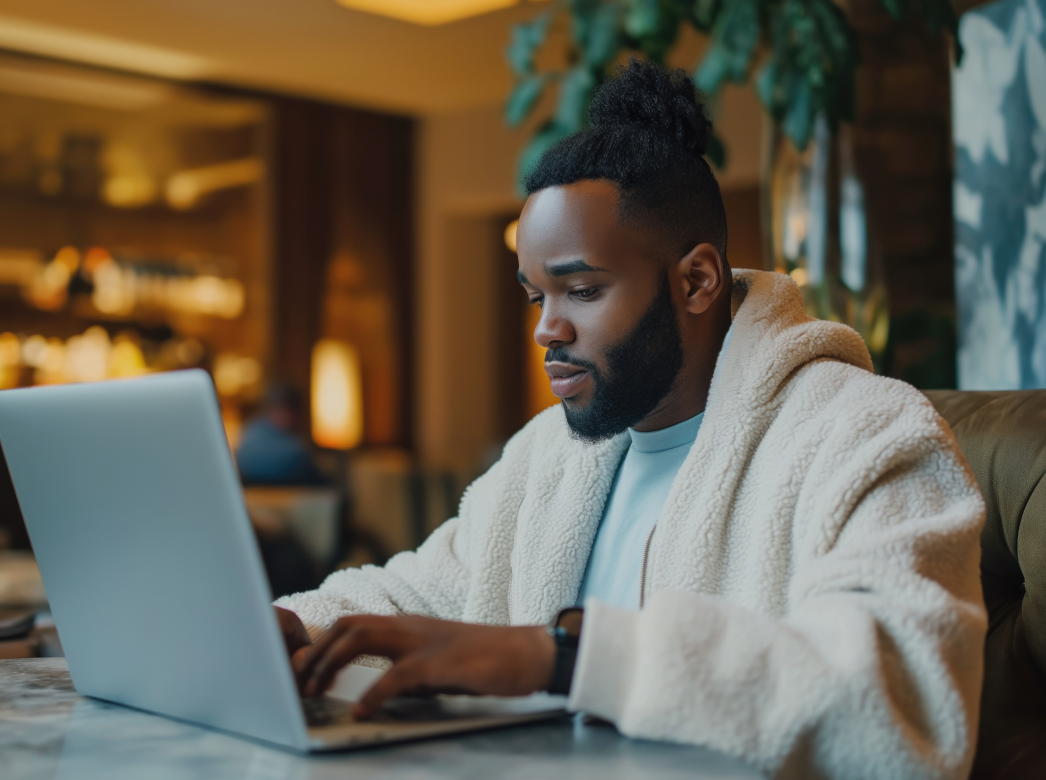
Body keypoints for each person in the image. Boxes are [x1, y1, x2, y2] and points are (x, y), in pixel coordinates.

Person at [274, 59, 986, 779]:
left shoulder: (865, 433)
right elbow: (424, 589)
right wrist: (293, 626)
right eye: (535, 297)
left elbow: (896, 703)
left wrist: (559, 659)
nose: (545, 329)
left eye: (580, 290)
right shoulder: (549, 454)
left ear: (696, 281)